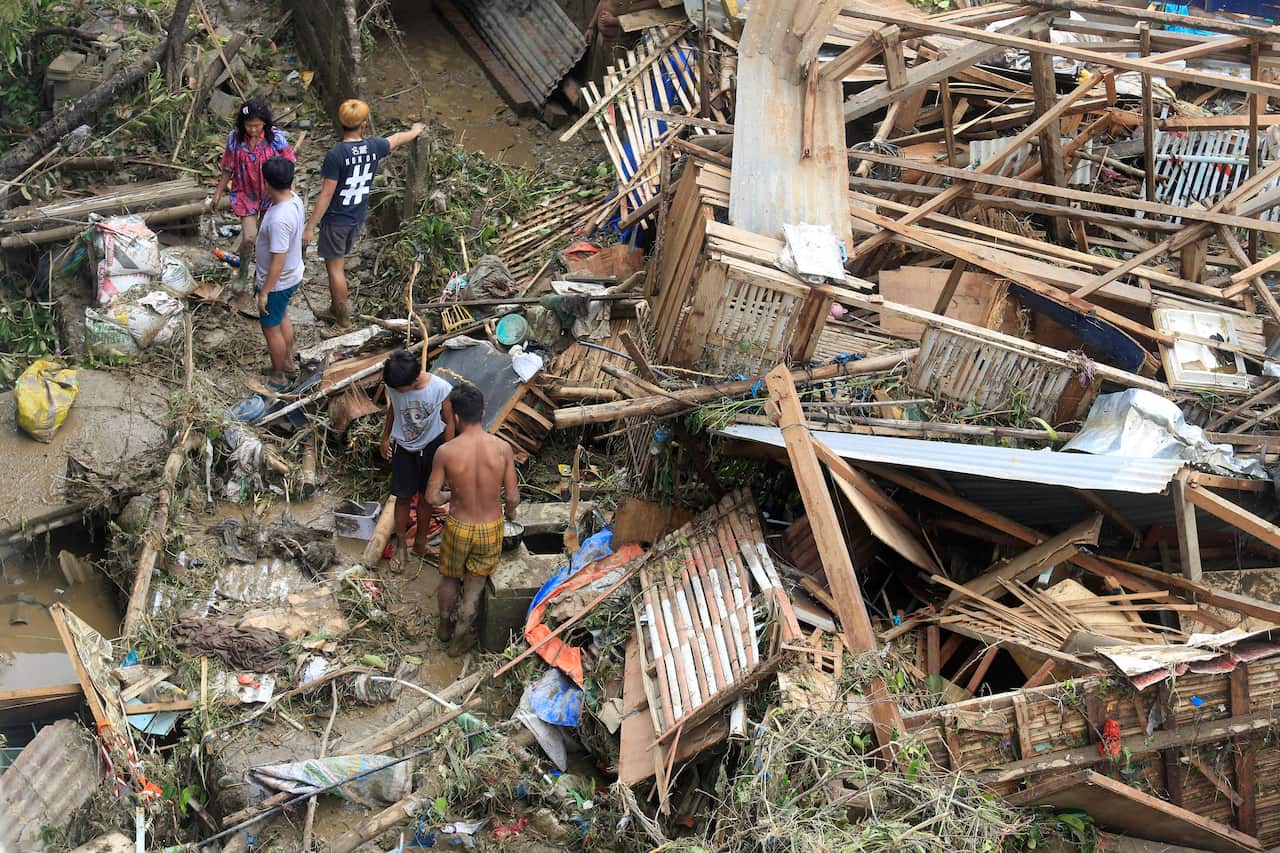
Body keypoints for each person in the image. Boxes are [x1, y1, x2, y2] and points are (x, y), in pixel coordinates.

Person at [303, 99, 426, 329]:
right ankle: (334, 309)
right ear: (363, 124)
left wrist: (309, 227)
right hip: (357, 217)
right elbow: (397, 139)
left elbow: (326, 194)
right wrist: (414, 131)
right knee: (339, 264)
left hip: (336, 220)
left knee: (335, 270)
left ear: (342, 123)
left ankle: (343, 321)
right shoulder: (373, 147)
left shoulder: (336, 154)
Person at [425, 383, 519, 656]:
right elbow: (512, 497)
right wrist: (510, 516)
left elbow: (431, 497)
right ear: (483, 411)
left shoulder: (447, 452)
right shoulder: (503, 449)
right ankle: (458, 642)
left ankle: (443, 629)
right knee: (474, 590)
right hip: (490, 528)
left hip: (458, 526)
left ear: (455, 417)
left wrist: (452, 495)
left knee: (449, 579)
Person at [379, 349, 455, 567]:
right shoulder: (394, 384)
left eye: (400, 389)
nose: (396, 392)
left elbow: (449, 421)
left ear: (413, 381)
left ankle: (421, 543)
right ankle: (402, 545)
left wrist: (447, 453)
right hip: (404, 448)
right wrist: (385, 439)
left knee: (427, 498)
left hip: (432, 447)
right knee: (402, 498)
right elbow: (393, 410)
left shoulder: (439, 388)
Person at [211, 99, 296, 288]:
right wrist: (217, 193)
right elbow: (227, 167)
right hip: (245, 192)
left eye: (257, 126)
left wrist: (290, 194)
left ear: (265, 123)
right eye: (249, 126)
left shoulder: (276, 138)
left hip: (270, 194)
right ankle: (242, 273)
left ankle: (261, 274)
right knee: (249, 237)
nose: (253, 130)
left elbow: (289, 165)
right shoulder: (235, 138)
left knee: (266, 239)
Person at [253, 157, 305, 386]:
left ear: (267, 184)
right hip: (292, 276)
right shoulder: (295, 200)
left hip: (278, 282)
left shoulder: (278, 219)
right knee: (282, 316)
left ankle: (279, 375)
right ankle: (289, 364)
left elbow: (278, 259)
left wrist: (264, 292)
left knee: (271, 328)